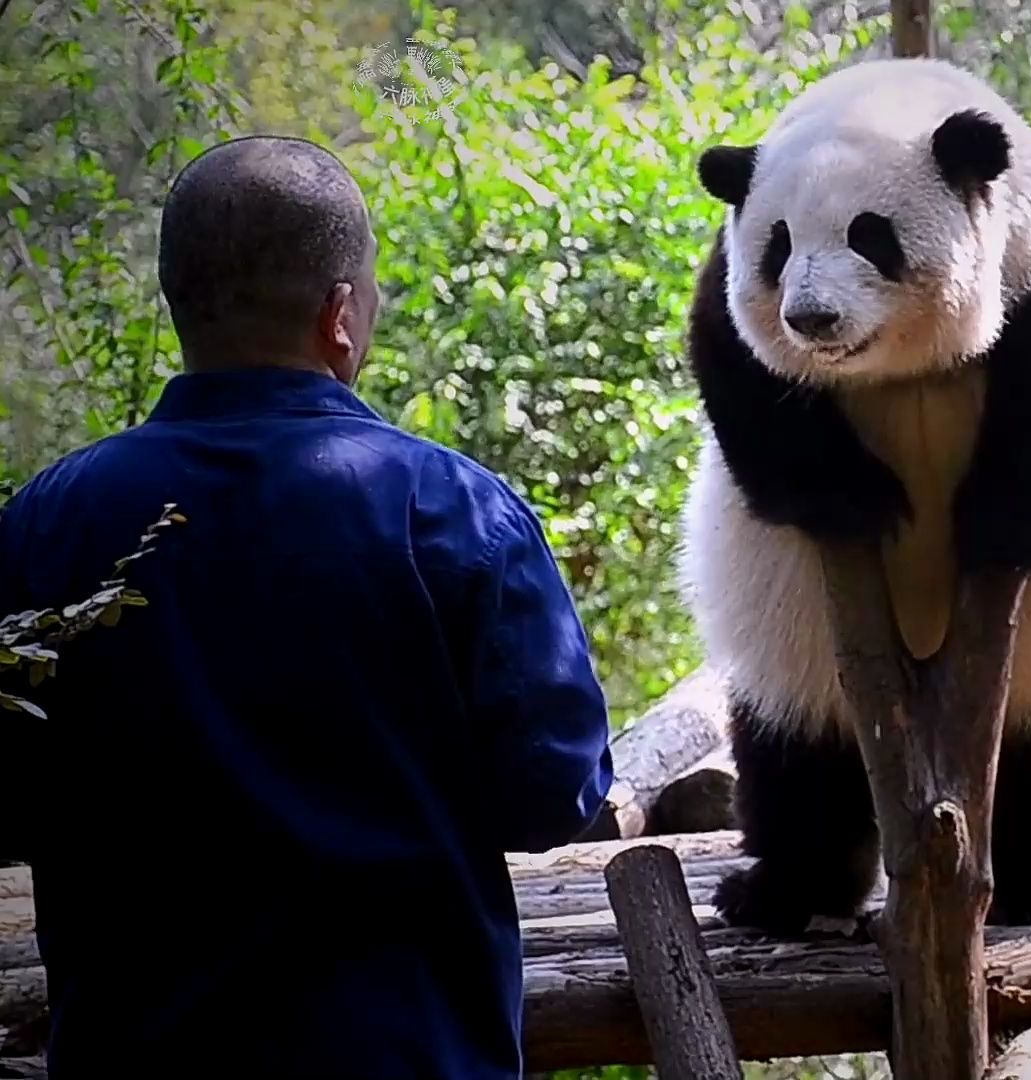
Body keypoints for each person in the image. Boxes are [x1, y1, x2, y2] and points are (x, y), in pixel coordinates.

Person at [0, 135, 615, 1079]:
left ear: (180, 306)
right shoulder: (451, 510)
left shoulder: (47, 523)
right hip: (413, 1053)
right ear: (339, 315)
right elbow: (553, 794)